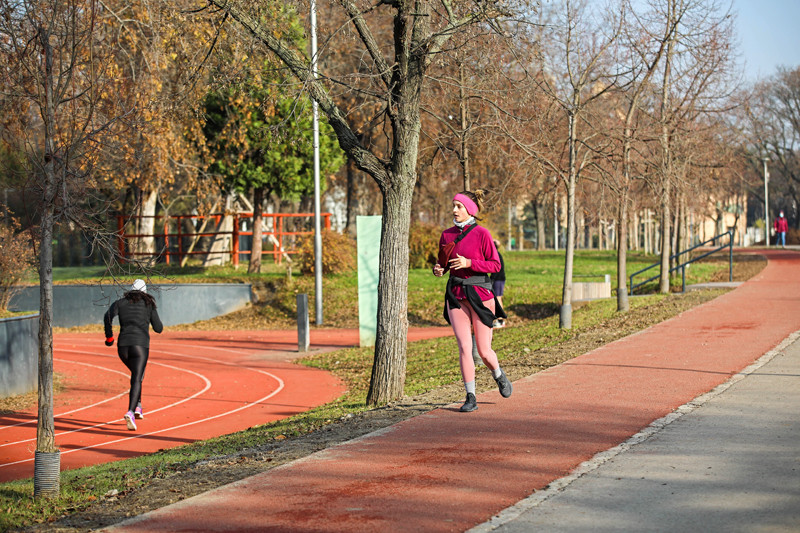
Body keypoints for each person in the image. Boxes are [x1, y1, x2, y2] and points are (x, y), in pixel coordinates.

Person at [433, 189, 512, 412]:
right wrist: (439, 269)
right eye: (453, 206)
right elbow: (443, 263)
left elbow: (495, 265)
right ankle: (470, 396)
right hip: (456, 295)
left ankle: (498, 374)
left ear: (470, 209)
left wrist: (470, 263)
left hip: (480, 295)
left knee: (484, 351)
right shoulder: (446, 235)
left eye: (459, 206)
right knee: (464, 347)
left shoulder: (482, 234)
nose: (454, 210)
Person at [104, 279, 163, 431]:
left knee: (138, 376)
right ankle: (131, 411)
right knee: (137, 377)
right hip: (140, 346)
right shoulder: (149, 304)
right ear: (145, 292)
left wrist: (109, 337)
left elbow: (107, 316)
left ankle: (138, 407)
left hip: (122, 347)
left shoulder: (120, 303)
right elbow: (158, 328)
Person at [490, 239, 506, 328]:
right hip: (497, 279)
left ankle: (501, 321)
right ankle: (499, 320)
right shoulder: (496, 254)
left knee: (498, 298)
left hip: (498, 279)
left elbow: (496, 269)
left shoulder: (496, 255)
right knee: (496, 298)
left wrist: (492, 279)